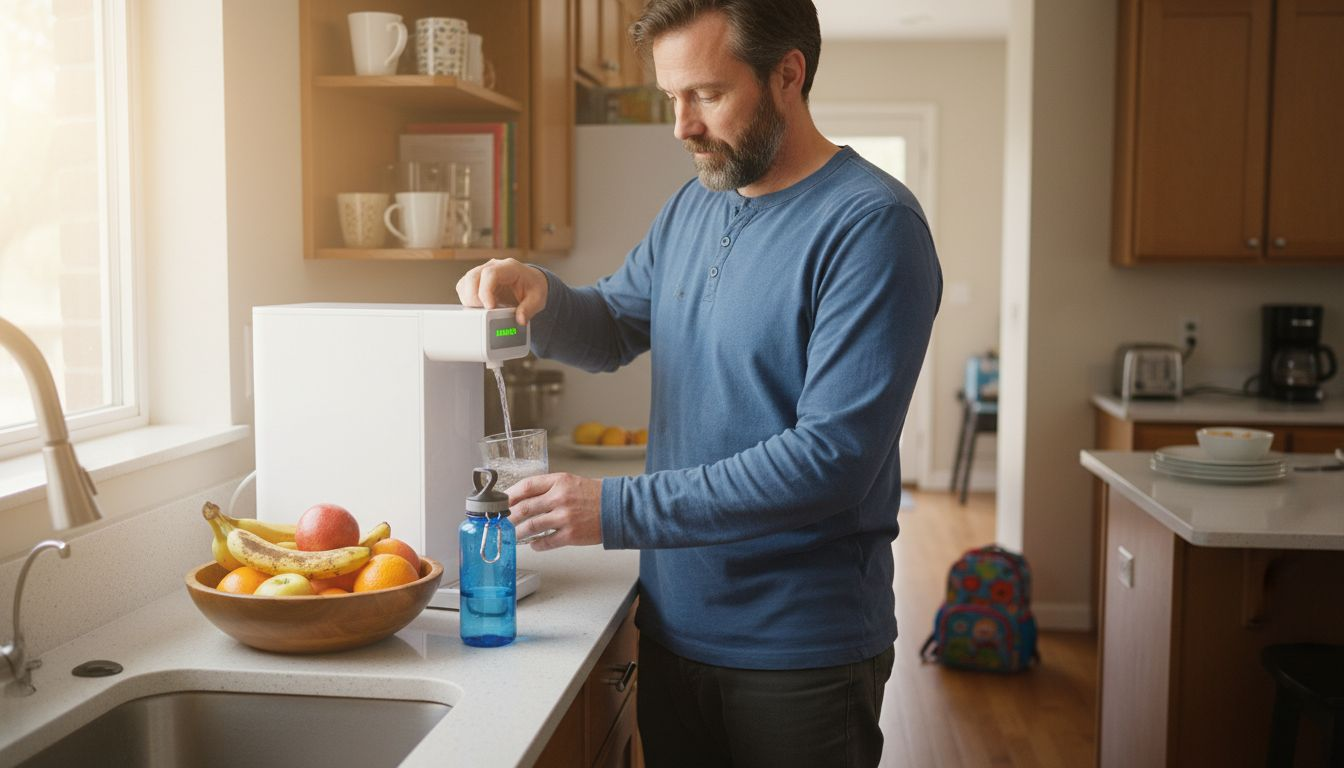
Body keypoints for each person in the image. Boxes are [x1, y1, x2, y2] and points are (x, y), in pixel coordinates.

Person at [456, 1, 941, 765]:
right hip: (675, 627)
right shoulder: (696, 204)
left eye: (706, 95)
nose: (681, 126)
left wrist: (613, 507)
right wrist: (537, 291)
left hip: (800, 655)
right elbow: (614, 324)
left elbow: (832, 461)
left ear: (789, 74)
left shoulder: (872, 226)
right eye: (670, 98)